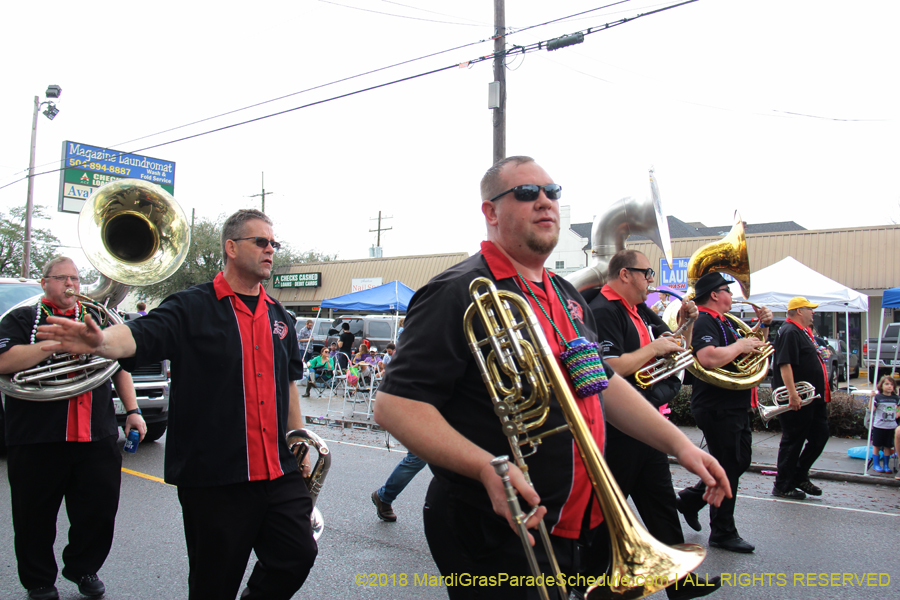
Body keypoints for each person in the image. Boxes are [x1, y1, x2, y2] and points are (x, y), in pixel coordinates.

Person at [374, 156, 730, 598]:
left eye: (552, 192)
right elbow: (395, 405)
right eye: (526, 193)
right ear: (490, 211)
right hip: (495, 525)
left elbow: (601, 383)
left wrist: (678, 445)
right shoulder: (455, 291)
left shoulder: (566, 294)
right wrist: (487, 467)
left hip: (579, 518)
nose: (544, 201)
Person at [37, 209, 318, 600]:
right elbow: (138, 336)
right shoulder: (190, 306)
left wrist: (298, 437)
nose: (271, 249)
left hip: (277, 470)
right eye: (262, 242)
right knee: (212, 585)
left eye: (274, 243)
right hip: (214, 479)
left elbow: (287, 383)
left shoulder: (280, 317)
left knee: (297, 555)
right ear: (231, 247)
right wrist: (99, 342)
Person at [0, 256, 145, 600]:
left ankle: (83, 568)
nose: (71, 285)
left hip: (95, 433)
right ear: (44, 282)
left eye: (76, 279)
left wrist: (133, 411)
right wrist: (55, 344)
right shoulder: (21, 318)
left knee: (99, 510)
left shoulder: (95, 319)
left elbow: (118, 366)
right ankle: (39, 581)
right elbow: (4, 361)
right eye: (62, 278)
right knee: (33, 515)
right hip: (38, 436)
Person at [587, 249, 720, 599]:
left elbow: (676, 349)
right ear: (625, 274)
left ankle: (680, 580)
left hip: (648, 420)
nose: (651, 281)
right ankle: (587, 579)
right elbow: (609, 367)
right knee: (608, 507)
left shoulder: (640, 310)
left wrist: (686, 325)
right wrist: (654, 348)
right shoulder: (603, 310)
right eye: (646, 273)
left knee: (660, 501)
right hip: (619, 425)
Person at [677, 272, 773, 554]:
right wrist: (741, 345)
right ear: (715, 295)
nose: (731, 295)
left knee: (739, 461)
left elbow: (749, 352)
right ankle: (722, 531)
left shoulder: (725, 322)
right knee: (730, 466)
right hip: (717, 405)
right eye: (726, 291)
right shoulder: (705, 319)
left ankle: (692, 499)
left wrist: (762, 328)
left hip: (733, 404)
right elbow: (707, 357)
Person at [771, 297, 830, 500]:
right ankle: (782, 485)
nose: (812, 312)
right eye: (809, 309)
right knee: (793, 440)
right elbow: (784, 364)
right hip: (798, 398)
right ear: (798, 311)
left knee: (820, 435)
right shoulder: (789, 331)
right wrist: (793, 394)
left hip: (813, 398)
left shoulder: (803, 332)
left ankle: (798, 474)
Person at [869, 376, 898, 473]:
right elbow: (871, 409)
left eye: (891, 384)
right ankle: (876, 464)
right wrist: (871, 398)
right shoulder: (878, 397)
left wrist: (897, 413)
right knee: (876, 445)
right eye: (887, 384)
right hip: (879, 426)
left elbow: (897, 410)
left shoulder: (896, 398)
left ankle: (886, 464)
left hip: (891, 426)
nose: (889, 386)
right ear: (881, 386)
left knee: (888, 446)